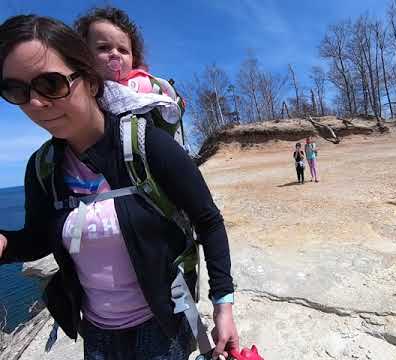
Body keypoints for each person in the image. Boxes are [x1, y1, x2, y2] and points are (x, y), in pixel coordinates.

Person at [0, 15, 238, 360]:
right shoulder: (43, 168)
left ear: (91, 82)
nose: (35, 103)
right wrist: (6, 243)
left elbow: (208, 220)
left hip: (163, 326)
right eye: (15, 90)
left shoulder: (147, 145)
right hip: (96, 333)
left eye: (50, 84)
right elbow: (39, 238)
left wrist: (223, 305)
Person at [74, 7, 185, 144]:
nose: (115, 54)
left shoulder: (142, 86)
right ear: (84, 54)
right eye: (103, 48)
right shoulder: (80, 88)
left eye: (123, 50)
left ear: (133, 58)